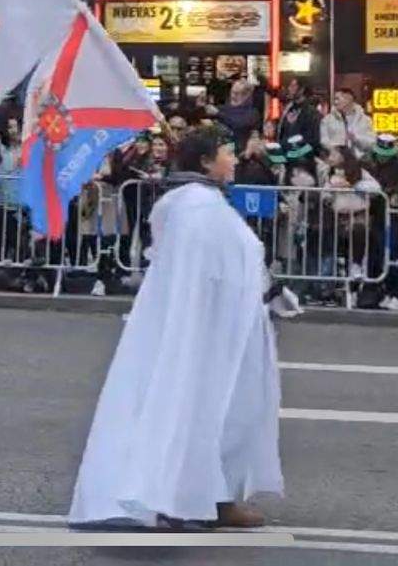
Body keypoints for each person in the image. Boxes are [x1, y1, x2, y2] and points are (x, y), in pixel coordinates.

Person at [68, 129, 282, 531]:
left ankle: (215, 496)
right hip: (200, 331)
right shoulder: (195, 207)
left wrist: (264, 285)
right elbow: (199, 273)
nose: (234, 160)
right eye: (227, 152)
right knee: (192, 409)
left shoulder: (199, 203)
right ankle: (179, 497)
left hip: (220, 328)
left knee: (224, 412)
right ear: (204, 162)